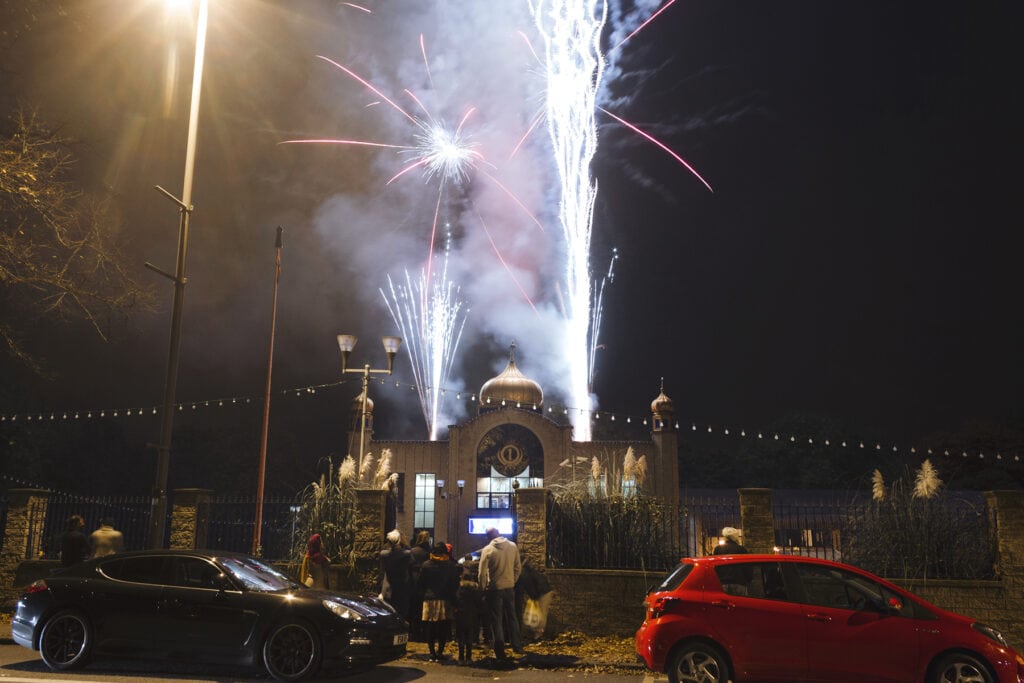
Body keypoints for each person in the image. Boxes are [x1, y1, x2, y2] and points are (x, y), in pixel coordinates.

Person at [478, 527, 523, 667]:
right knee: (512, 617)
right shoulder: (512, 546)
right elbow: (518, 567)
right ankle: (517, 645)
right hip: (509, 587)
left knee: (496, 619)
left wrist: (483, 588)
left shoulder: (488, 550)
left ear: (488, 537)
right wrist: (512, 581)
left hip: (495, 589)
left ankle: (500, 648)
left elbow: (481, 573)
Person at [418, 540, 460, 662]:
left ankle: (432, 654)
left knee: (430, 628)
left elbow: (421, 583)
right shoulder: (450, 566)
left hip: (429, 600)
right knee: (443, 628)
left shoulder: (426, 565)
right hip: (444, 599)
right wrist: (454, 602)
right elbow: (454, 585)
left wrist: (423, 595)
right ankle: (440, 652)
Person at [454, 561, 484, 666]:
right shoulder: (475, 589)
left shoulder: (459, 589)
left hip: (461, 615)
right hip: (472, 615)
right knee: (469, 637)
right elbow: (479, 602)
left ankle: (461, 657)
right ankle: (469, 657)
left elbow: (456, 601)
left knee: (461, 637)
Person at [379, 529, 412, 617]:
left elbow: (382, 570)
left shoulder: (383, 554)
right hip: (402, 587)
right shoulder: (407, 554)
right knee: (401, 612)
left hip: (388, 586)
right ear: (399, 540)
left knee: (388, 612)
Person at [408, 530, 432, 641]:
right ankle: (424, 633)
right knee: (423, 609)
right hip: (424, 583)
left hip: (412, 582)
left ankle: (414, 632)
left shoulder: (412, 551)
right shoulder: (428, 553)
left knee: (413, 608)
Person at [713, 526, 751, 595]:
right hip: (739, 582)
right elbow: (747, 567)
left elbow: (715, 567)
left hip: (722, 583)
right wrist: (748, 579)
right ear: (735, 537)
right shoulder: (741, 549)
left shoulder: (718, 549)